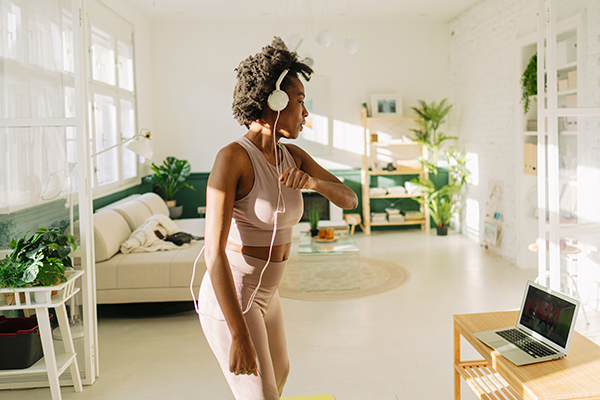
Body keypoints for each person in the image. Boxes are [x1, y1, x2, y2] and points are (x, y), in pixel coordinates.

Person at [197, 37, 358, 400]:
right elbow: (214, 254)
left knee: (279, 376)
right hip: (236, 297)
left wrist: (314, 181)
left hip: (267, 294)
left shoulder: (294, 156)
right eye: (300, 102)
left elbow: (349, 199)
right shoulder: (233, 158)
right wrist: (238, 334)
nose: (305, 113)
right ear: (276, 101)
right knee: (261, 395)